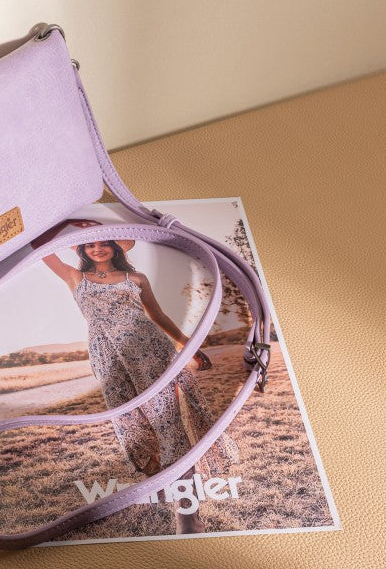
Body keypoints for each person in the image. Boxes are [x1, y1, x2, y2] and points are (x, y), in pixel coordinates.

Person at [31, 219, 240, 535]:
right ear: (83, 250)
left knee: (168, 423)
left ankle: (187, 513)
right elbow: (39, 246)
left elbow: (158, 316)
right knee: (132, 426)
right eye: (91, 244)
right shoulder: (75, 277)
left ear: (115, 247)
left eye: (104, 242)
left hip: (148, 348)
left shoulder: (136, 278)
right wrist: (68, 223)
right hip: (107, 356)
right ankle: (163, 491)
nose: (98, 248)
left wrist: (189, 346)